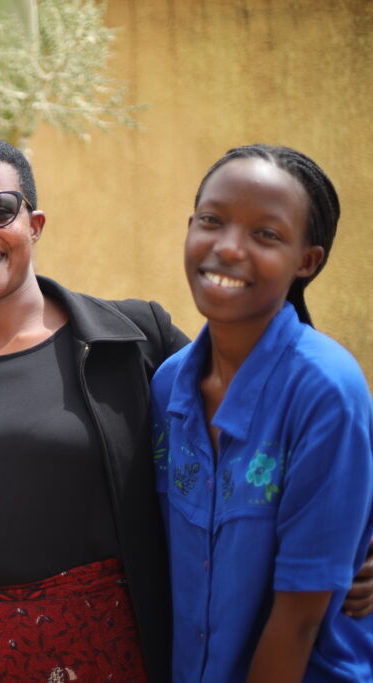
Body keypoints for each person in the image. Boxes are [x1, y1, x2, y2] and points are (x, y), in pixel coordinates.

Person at [0, 135, 373, 683]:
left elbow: (316, 444)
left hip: (112, 650)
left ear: (34, 223)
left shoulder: (134, 341)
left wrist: (357, 542)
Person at [151, 144, 373, 681]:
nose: (228, 248)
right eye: (212, 221)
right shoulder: (168, 386)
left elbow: (299, 622)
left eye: (266, 234)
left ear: (307, 260)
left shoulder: (324, 390)